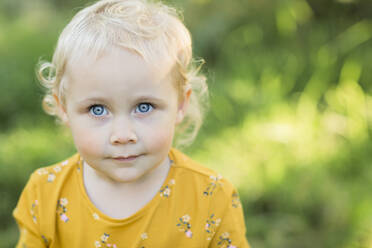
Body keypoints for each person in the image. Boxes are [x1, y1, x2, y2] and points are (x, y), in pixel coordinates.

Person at [13, 0, 250, 247]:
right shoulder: (44, 194)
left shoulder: (210, 197)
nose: (123, 135)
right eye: (98, 109)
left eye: (143, 107)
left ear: (181, 104)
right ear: (64, 109)